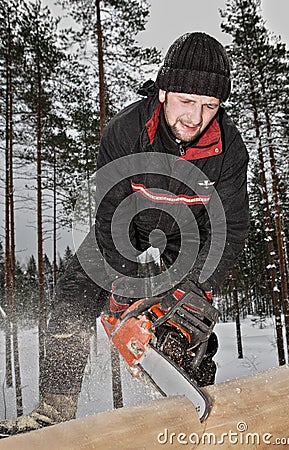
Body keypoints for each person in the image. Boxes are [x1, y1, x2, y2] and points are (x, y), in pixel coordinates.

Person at [0, 32, 249, 436]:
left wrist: (196, 289)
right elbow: (110, 215)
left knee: (189, 320)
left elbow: (232, 225)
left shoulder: (230, 149)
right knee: (74, 293)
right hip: (128, 224)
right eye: (186, 101)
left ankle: (198, 407)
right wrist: (121, 290)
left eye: (209, 106)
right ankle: (53, 412)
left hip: (192, 237)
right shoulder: (125, 132)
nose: (195, 117)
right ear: (164, 91)